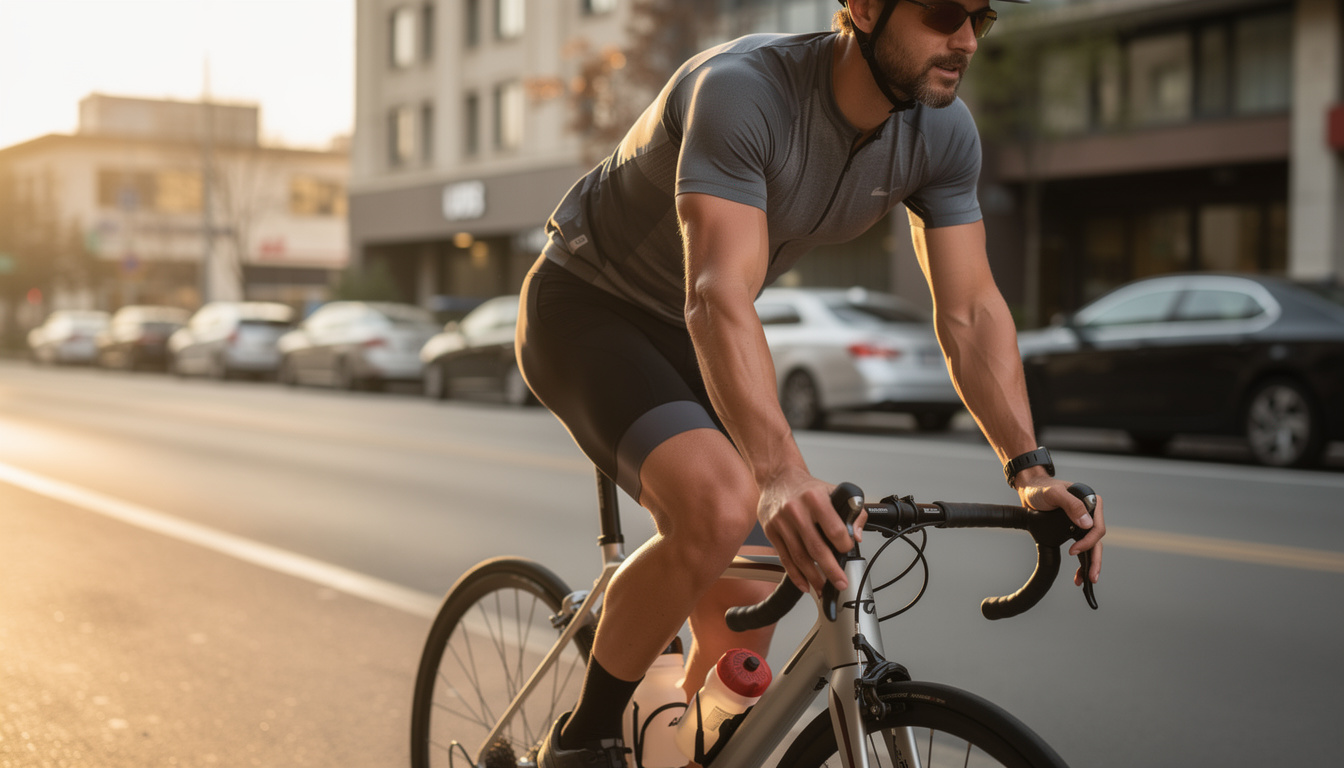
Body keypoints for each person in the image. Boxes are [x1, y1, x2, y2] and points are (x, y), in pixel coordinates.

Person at [516, 0, 1107, 765]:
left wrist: (1030, 469)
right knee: (721, 505)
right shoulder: (743, 91)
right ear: (864, 8)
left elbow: (969, 311)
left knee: (752, 597)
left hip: (696, 329)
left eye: (980, 19)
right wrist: (779, 475)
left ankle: (677, 749)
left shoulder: (943, 131)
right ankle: (580, 742)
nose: (964, 40)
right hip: (588, 305)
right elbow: (716, 293)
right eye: (941, 13)